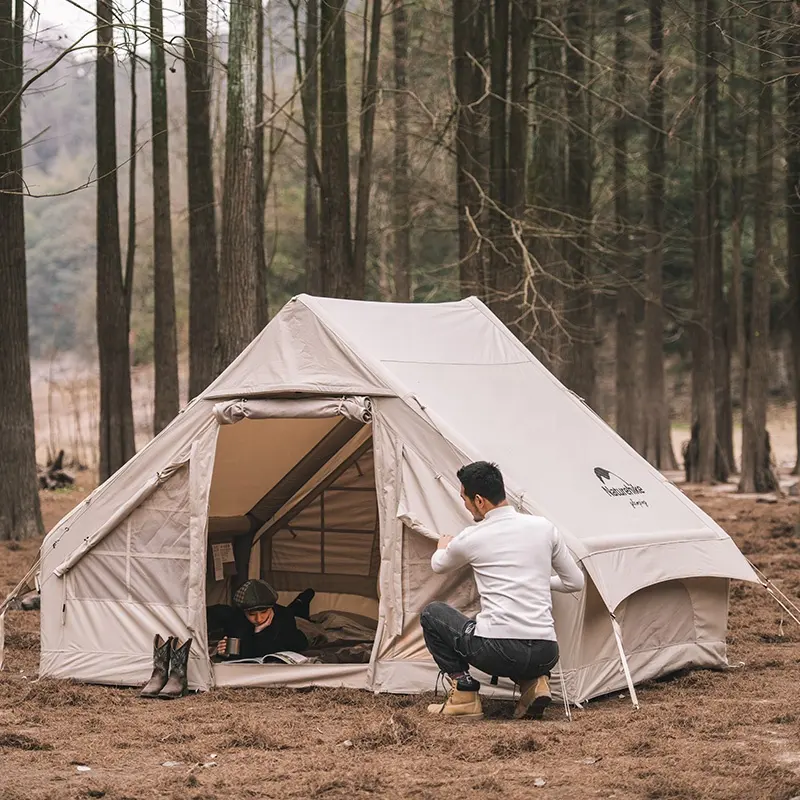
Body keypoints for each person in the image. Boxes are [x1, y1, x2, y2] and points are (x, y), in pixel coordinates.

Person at [420, 461, 584, 721]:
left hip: (499, 652)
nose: (464, 505)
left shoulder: (473, 536)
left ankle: (463, 693)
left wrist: (442, 545)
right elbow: (576, 582)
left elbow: (439, 565)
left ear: (479, 500)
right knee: (484, 625)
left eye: (464, 499)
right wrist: (539, 581)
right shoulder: (544, 527)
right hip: (546, 653)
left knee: (432, 614)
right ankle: (535, 683)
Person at [209, 579, 314, 660]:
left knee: (305, 621)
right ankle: (299, 603)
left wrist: (262, 633)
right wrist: (224, 654)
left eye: (264, 612)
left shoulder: (284, 615)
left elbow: (290, 647)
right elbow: (245, 655)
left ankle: (300, 602)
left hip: (299, 625)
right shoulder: (236, 620)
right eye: (252, 614)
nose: (258, 619)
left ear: (271, 608)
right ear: (244, 611)